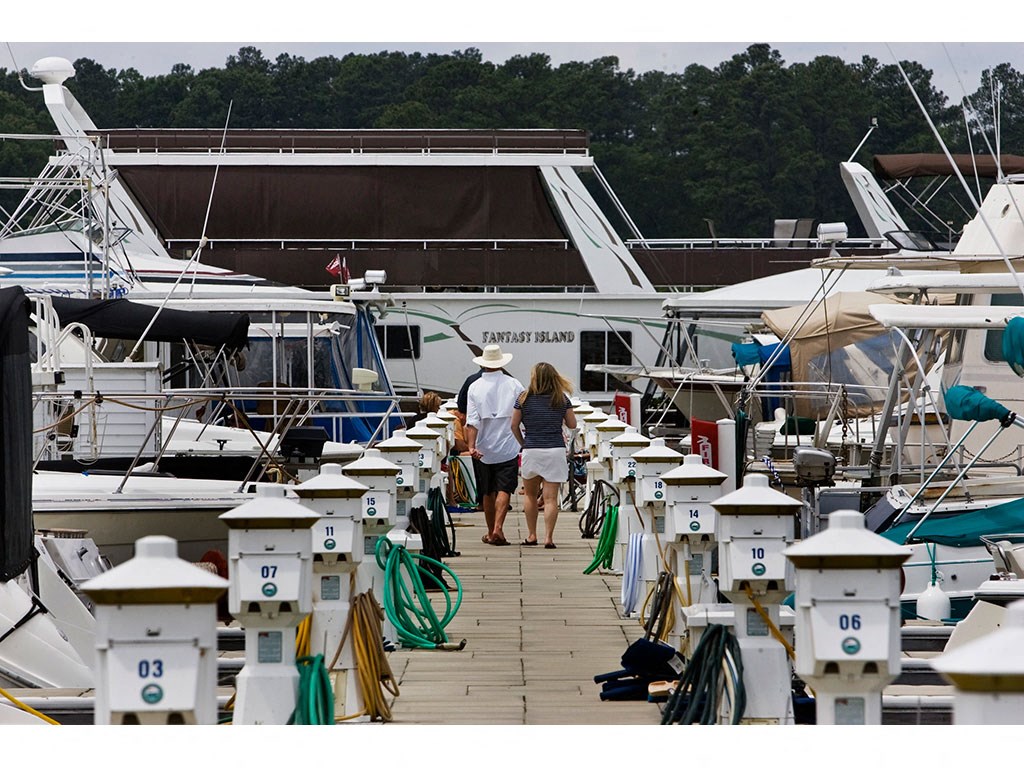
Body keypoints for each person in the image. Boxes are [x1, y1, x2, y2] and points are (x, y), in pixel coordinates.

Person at [510, 362, 576, 549]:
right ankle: (549, 537)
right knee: (550, 499)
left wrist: (523, 443)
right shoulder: (561, 399)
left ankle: (531, 535)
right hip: (555, 450)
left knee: (530, 495)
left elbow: (513, 425)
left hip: (532, 449)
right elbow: (572, 424)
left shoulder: (523, 398)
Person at [464, 344, 525, 546]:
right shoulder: (514, 384)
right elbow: (523, 412)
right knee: (504, 489)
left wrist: (471, 446)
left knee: (487, 491)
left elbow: (472, 420)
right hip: (508, 443)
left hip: (484, 446)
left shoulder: (475, 387)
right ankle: (499, 528)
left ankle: (490, 532)